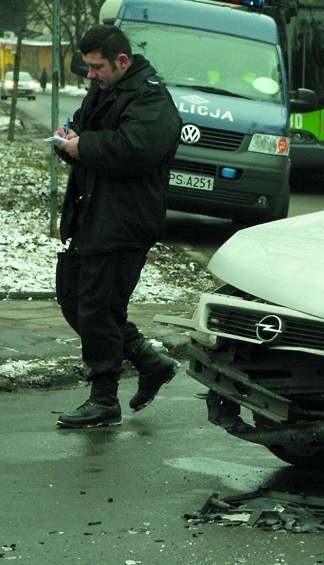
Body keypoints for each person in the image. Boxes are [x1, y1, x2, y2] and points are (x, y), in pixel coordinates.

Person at [53, 25, 181, 429]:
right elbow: (89, 136)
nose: (90, 75)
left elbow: (134, 150)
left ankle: (104, 398)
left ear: (122, 61)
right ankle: (148, 360)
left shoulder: (151, 98)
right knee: (75, 298)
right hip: (93, 215)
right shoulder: (107, 90)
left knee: (98, 307)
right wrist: (69, 141)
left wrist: (83, 145)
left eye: (97, 67)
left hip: (124, 222)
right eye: (88, 68)